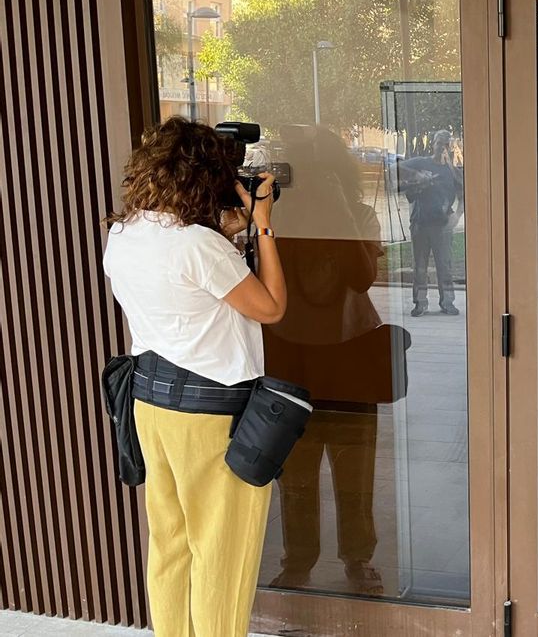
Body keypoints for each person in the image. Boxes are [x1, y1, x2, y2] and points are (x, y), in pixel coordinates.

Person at [103, 116, 286, 636]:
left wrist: (225, 231)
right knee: (220, 552)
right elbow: (270, 307)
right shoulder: (197, 246)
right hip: (209, 416)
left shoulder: (124, 233)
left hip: (149, 404)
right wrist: (263, 224)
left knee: (170, 545)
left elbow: (183, 286)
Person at [261, 125, 389, 596]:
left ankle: (357, 557)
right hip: (291, 359)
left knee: (355, 467)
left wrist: (338, 213)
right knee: (294, 469)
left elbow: (362, 276)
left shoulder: (357, 215)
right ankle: (299, 560)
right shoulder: (277, 219)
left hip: (348, 355)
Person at [397, 129, 464, 317]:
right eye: (438, 142)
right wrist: (417, 176)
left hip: (443, 226)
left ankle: (447, 302)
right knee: (419, 266)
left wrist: (457, 216)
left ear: (450, 148)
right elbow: (396, 167)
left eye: (445, 144)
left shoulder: (452, 170)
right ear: (432, 143)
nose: (441, 147)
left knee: (445, 266)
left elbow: (463, 195)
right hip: (420, 223)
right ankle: (420, 303)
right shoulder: (421, 162)